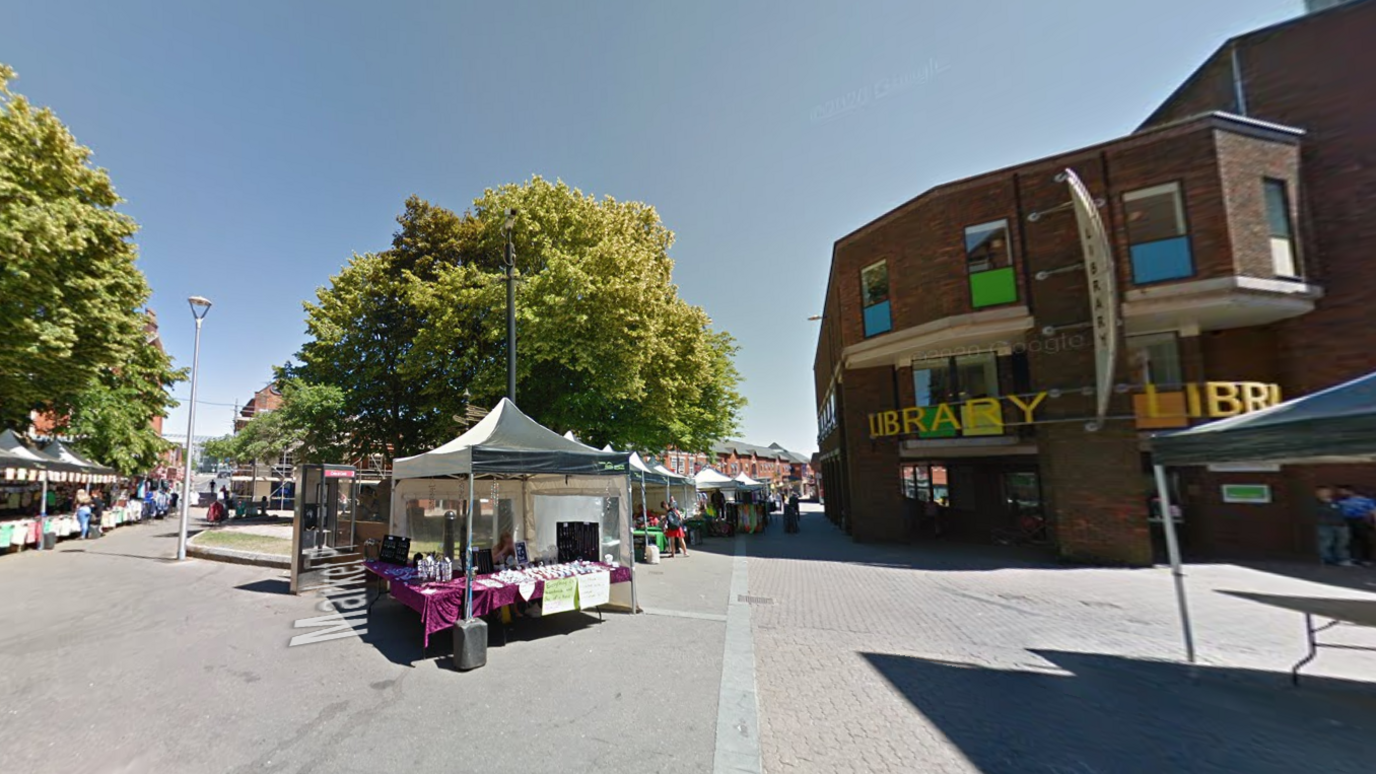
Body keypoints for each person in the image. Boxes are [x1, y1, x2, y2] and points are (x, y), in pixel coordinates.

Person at [1336, 485, 1376, 566]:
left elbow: (1373, 511)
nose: (1340, 493)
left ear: (1351, 491)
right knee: (1357, 540)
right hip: (1354, 521)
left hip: (1355, 521)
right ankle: (1359, 558)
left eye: (1342, 491)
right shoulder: (1341, 501)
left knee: (1358, 540)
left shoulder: (1365, 500)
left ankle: (1361, 558)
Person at [1315, 485, 1354, 567]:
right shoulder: (1316, 503)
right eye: (1322, 491)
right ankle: (1327, 559)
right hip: (1325, 526)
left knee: (1343, 543)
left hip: (1341, 525)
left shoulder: (1336, 501)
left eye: (1327, 491)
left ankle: (1343, 559)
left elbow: (1342, 512)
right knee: (1326, 543)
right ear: (1317, 493)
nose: (1325, 493)